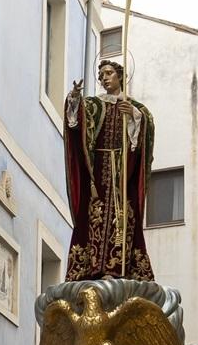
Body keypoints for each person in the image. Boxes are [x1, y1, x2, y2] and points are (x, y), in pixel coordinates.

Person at [63, 59, 157, 282]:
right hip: (98, 174)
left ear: (120, 76)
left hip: (123, 174)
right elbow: (75, 126)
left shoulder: (136, 108)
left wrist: (134, 117)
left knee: (122, 218)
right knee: (95, 217)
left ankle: (118, 269)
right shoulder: (94, 105)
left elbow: (144, 141)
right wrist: (74, 99)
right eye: (101, 74)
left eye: (109, 73)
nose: (104, 78)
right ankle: (91, 267)